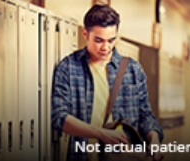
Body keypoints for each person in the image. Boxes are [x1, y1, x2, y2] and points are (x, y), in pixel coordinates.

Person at [51, 4, 164, 161]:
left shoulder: (132, 69)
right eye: (99, 40)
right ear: (85, 33)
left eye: (111, 40)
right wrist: (102, 134)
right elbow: (58, 117)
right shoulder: (69, 67)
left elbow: (145, 115)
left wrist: (154, 139)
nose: (106, 47)